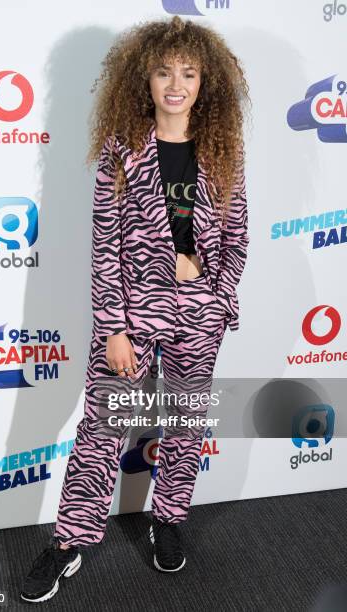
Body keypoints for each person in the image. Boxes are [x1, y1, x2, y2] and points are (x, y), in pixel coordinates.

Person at [20, 14, 251, 603]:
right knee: (103, 427)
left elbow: (237, 239)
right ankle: (68, 543)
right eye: (164, 71)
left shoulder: (224, 155)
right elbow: (106, 249)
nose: (176, 83)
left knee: (183, 423)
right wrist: (115, 329)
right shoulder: (120, 155)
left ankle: (167, 520)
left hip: (200, 318)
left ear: (206, 83)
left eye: (189, 73)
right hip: (131, 319)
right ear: (144, 80)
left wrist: (216, 293)